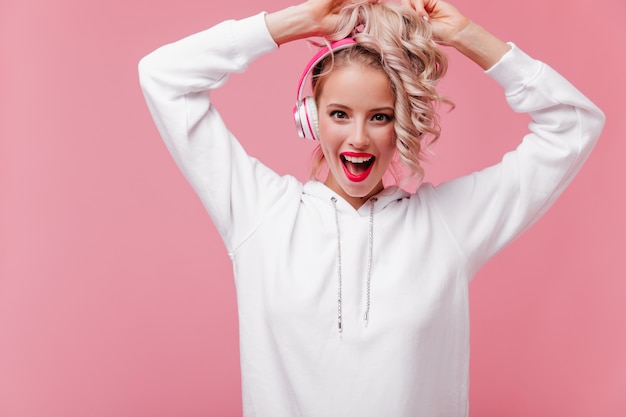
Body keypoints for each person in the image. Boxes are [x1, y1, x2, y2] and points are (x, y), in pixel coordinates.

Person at [138, 0, 605, 415]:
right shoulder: (260, 213)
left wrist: (466, 35)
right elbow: (163, 77)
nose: (358, 138)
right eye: (339, 113)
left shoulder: (448, 225)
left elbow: (574, 123)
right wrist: (296, 21)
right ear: (309, 117)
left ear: (402, 123)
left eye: (379, 116)